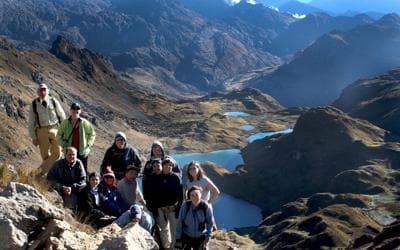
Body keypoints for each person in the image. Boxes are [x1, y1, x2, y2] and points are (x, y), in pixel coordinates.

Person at [29, 83, 65, 173]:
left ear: (47, 91)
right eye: (40, 90)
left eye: (44, 90)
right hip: (41, 131)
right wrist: (33, 137)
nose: (42, 92)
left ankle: (37, 173)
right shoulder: (34, 104)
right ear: (37, 92)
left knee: (57, 153)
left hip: (55, 129)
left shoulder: (53, 101)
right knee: (45, 155)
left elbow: (62, 115)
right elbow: (31, 122)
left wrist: (64, 130)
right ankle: (48, 176)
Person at [56, 102, 95, 174]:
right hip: (69, 153)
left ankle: (82, 185)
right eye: (73, 108)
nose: (75, 110)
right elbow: (58, 135)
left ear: (80, 111)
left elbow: (92, 134)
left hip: (82, 152)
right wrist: (63, 144)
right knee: (68, 171)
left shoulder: (84, 123)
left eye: (77, 108)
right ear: (70, 110)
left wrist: (88, 144)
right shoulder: (65, 123)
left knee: (82, 171)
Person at [154, 158, 183, 249]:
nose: (168, 167)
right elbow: (154, 194)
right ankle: (166, 247)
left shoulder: (176, 178)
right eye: (165, 165)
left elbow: (181, 196)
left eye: (170, 165)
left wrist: (178, 208)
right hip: (160, 209)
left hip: (173, 208)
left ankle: (173, 247)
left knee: (174, 229)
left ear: (172, 167)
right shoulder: (158, 177)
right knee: (163, 229)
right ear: (162, 166)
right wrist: (155, 208)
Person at [176, 186, 213, 250]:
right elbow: (180, 222)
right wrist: (178, 239)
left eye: (196, 194)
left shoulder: (205, 207)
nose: (195, 197)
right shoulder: (185, 206)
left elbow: (210, 223)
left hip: (200, 237)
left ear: (200, 195)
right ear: (189, 197)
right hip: (187, 236)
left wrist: (207, 237)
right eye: (192, 195)